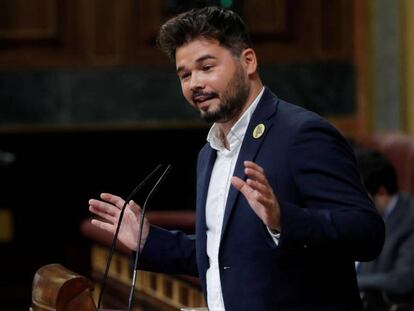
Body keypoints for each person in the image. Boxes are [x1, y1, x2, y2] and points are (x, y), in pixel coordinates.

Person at [89, 6, 385, 311]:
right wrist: (148, 241)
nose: (194, 84)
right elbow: (226, 255)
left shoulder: (301, 134)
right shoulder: (209, 152)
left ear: (248, 61)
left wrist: (284, 220)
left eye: (206, 67)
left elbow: (367, 233)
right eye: (185, 74)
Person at [355, 148, 414, 311]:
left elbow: (403, 280)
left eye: (360, 195)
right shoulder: (364, 216)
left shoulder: (409, 218)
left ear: (381, 192)